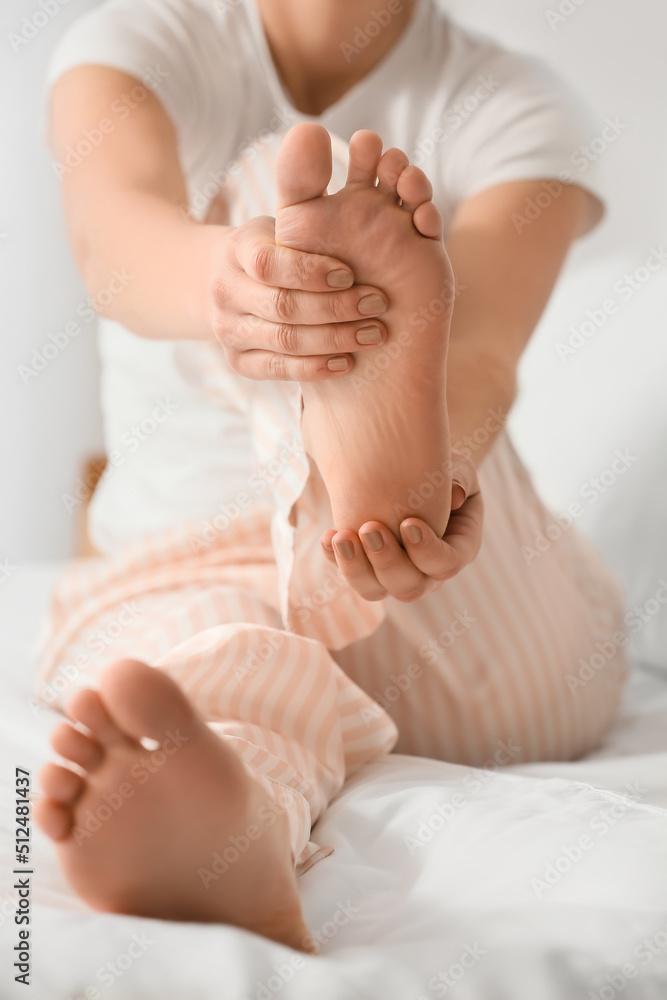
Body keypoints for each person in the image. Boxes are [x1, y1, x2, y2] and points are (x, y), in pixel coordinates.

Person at [33, 0, 628, 951]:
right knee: (210, 677)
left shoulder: (517, 103)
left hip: (459, 596)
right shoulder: (141, 41)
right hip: (226, 591)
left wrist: (442, 482)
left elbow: (475, 362)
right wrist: (234, 283)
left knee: (279, 205)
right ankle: (237, 837)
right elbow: (116, 249)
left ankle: (385, 466)